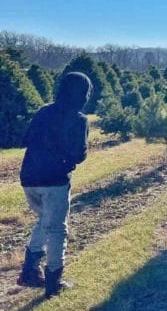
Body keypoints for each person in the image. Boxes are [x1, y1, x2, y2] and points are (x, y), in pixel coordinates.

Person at [17, 72, 92, 298]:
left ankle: (30, 270)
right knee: (58, 228)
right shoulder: (79, 120)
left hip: (29, 178)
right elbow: (79, 155)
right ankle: (53, 281)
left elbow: (26, 139)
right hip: (54, 181)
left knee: (44, 220)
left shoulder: (44, 111)